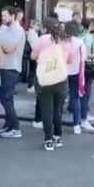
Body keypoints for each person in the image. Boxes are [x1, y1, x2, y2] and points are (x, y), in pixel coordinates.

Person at [31, 17, 72, 151]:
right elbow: (70, 59)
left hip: (45, 78)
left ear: (45, 27)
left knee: (46, 110)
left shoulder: (42, 39)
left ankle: (48, 140)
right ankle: (57, 137)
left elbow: (33, 56)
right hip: (60, 78)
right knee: (58, 109)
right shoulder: (65, 39)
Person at [0, 6, 26, 138]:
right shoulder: (3, 29)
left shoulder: (18, 31)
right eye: (2, 15)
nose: (2, 18)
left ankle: (15, 128)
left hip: (12, 68)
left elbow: (9, 49)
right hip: (2, 67)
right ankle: (8, 125)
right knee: (5, 98)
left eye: (5, 15)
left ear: (13, 16)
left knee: (6, 98)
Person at [65, 21, 87, 135]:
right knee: (75, 98)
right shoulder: (79, 42)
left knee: (60, 98)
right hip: (76, 72)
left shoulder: (62, 41)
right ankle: (76, 124)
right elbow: (83, 60)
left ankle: (56, 122)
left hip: (62, 72)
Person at [80, 20, 94, 131]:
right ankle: (83, 119)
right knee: (86, 92)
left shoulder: (83, 36)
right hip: (88, 66)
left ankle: (84, 114)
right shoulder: (88, 37)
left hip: (84, 66)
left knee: (84, 92)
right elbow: (86, 53)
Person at [27, 19, 42, 128]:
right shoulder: (32, 34)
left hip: (35, 55)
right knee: (33, 71)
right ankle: (31, 85)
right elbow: (34, 46)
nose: (38, 26)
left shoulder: (35, 34)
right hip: (34, 55)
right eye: (37, 24)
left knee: (34, 71)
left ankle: (31, 85)